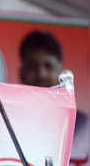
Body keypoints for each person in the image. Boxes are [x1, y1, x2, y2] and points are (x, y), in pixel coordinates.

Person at [19, 30, 89, 166]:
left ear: (60, 71)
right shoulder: (9, 122)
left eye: (48, 66)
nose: (41, 74)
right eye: (33, 67)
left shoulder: (84, 126)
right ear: (21, 73)